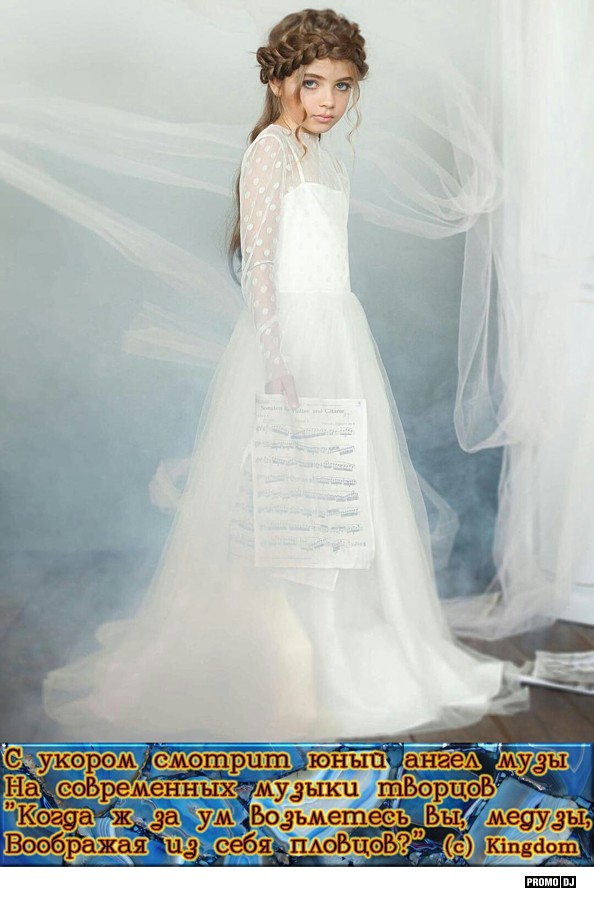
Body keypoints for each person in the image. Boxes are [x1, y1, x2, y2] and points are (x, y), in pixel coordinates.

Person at [43, 8, 529, 742]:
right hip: (292, 338)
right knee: (283, 499)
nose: (329, 100)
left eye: (343, 85)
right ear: (278, 83)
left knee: (333, 495)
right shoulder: (271, 151)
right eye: (312, 83)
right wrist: (278, 363)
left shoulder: (325, 154)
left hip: (338, 331)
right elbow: (261, 267)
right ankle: (283, 649)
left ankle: (330, 636)